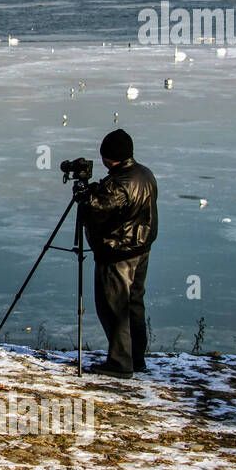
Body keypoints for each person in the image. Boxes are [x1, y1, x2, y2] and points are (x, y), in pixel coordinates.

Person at [75, 129, 158, 378]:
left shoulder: (120, 184)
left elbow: (95, 213)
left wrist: (84, 199)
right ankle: (136, 358)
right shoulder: (144, 173)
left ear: (109, 157)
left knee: (114, 308)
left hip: (117, 252)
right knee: (133, 304)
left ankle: (120, 363)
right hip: (140, 248)